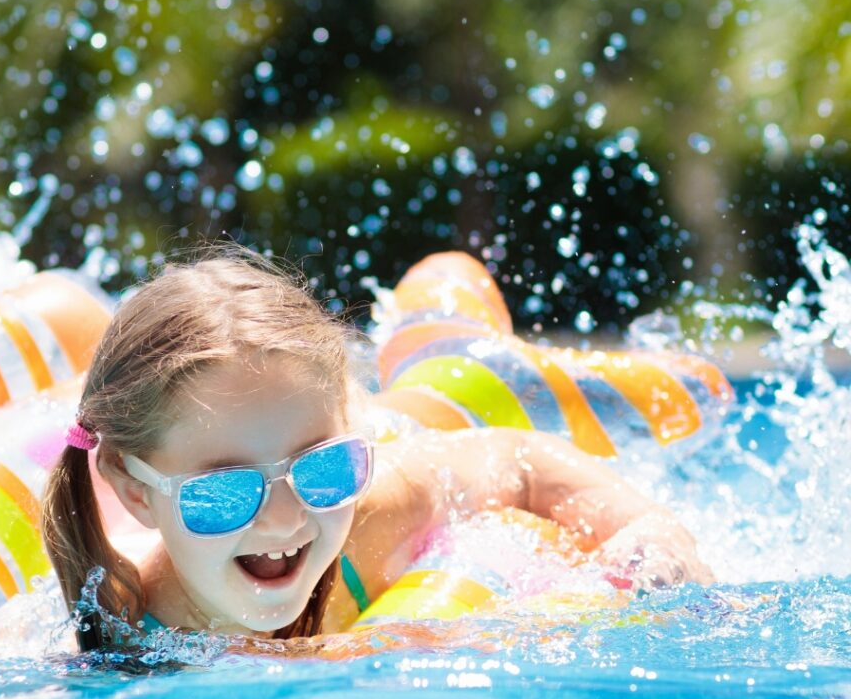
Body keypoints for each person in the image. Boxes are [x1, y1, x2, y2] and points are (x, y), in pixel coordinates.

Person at [42, 248, 712, 650]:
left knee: (463, 385)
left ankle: (466, 343)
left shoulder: (369, 516)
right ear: (136, 493)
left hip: (414, 428)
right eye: (225, 491)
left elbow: (514, 461)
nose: (284, 520)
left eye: (325, 469)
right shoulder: (110, 625)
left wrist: (644, 526)